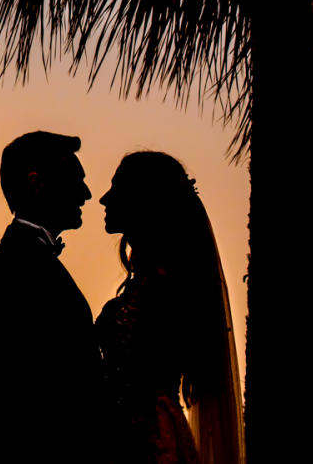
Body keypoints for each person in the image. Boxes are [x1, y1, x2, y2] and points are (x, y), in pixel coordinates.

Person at [95, 152, 244, 464]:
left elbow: (145, 374)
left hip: (145, 440)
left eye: (117, 188)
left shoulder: (163, 286)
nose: (104, 199)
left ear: (144, 201)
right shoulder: (147, 281)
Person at [0, 131, 105, 463]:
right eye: (76, 180)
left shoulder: (28, 259)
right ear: (36, 183)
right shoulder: (20, 266)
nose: (87, 193)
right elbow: (47, 390)